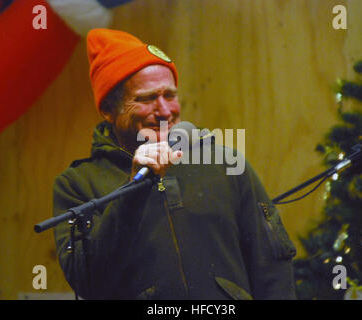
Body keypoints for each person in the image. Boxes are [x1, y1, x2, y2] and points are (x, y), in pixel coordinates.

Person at [53, 28, 297, 300]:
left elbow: (273, 268)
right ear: (108, 110)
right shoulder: (76, 184)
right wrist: (132, 190)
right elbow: (89, 284)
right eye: (146, 99)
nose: (165, 110)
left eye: (169, 95)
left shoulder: (225, 164)